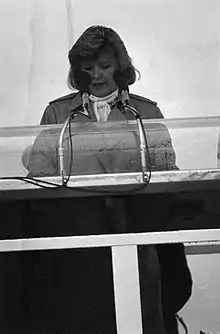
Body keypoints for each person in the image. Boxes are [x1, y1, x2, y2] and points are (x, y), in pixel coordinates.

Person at [23, 25, 192, 333]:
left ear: (120, 66)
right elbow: (40, 179)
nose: (97, 75)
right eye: (88, 68)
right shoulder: (58, 113)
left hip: (135, 242)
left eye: (105, 66)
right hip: (77, 244)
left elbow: (166, 175)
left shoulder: (145, 111)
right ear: (78, 70)